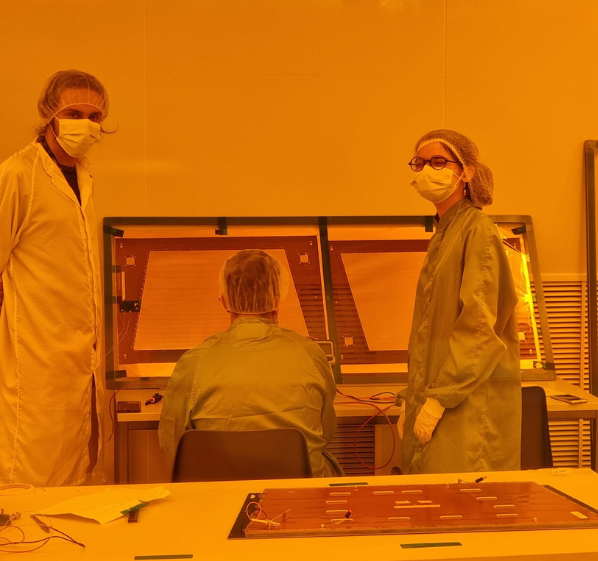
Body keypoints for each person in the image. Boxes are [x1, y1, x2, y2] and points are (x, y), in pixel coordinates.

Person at [0, 70, 115, 486]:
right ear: (49, 114)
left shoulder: (84, 174)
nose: (84, 123)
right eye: (73, 112)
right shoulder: (18, 175)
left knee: (80, 470)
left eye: (94, 115)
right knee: (31, 473)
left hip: (80, 357)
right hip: (36, 359)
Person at [398, 129, 522, 474]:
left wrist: (439, 399)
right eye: (419, 163)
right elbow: (431, 333)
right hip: (446, 394)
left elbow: (479, 329)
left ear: (465, 171)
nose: (426, 171)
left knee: (462, 507)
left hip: (467, 403)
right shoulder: (445, 233)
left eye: (438, 162)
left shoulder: (477, 231)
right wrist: (415, 398)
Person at [158, 250, 343, 477]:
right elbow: (326, 430)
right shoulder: (310, 354)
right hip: (298, 493)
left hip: (220, 494)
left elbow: (174, 447)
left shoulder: (194, 361)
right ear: (277, 299)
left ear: (224, 301)